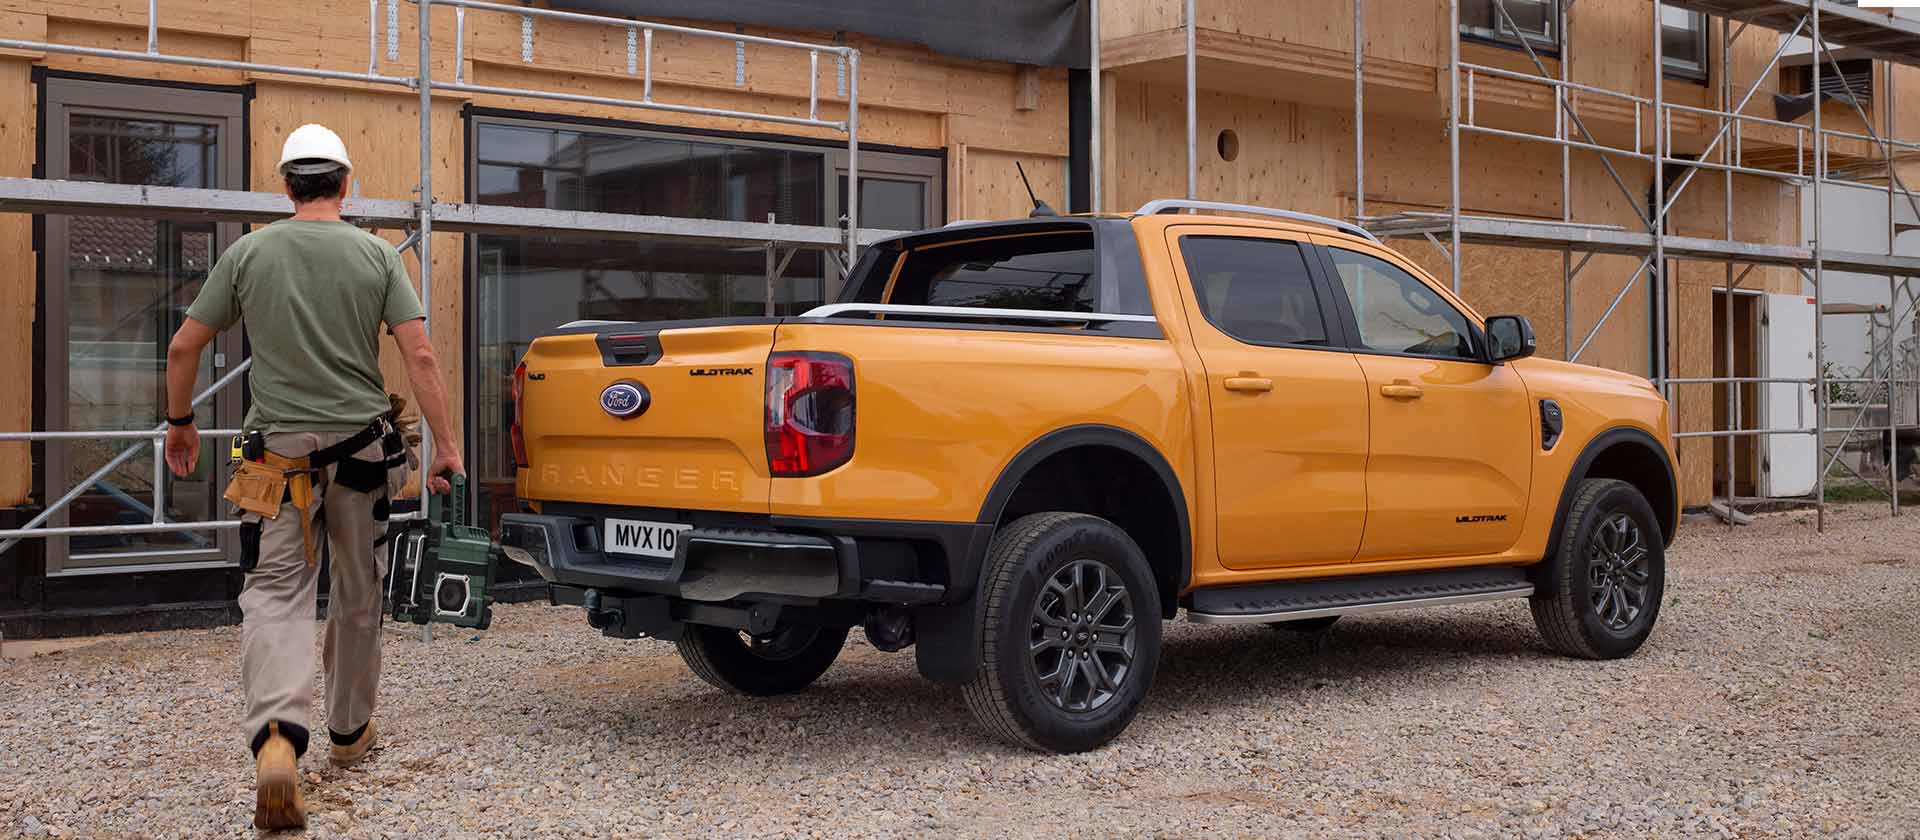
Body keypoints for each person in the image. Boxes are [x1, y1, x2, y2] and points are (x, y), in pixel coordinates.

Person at [162, 123, 463, 830]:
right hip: (362, 454)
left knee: (274, 596)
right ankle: (351, 734)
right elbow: (420, 357)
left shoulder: (248, 253)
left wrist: (181, 422)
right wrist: (446, 443)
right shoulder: (375, 255)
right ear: (345, 183)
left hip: (276, 461)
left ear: (287, 186)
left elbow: (184, 345)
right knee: (358, 591)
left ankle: (276, 737)